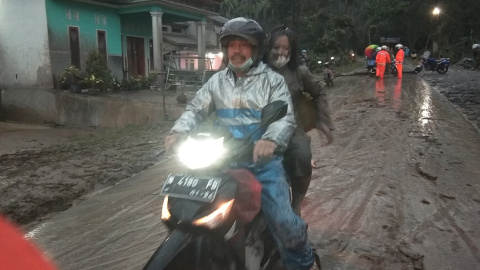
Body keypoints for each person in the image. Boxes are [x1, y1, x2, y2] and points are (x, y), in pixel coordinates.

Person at [164, 17, 319, 270]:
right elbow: (195, 107)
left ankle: (303, 261)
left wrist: (269, 139)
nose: (236, 51)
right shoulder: (217, 81)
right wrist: (178, 131)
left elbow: (285, 117)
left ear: (255, 50)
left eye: (243, 45)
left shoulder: (272, 81)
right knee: (187, 208)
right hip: (222, 160)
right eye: (231, 45)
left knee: (282, 221)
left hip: (263, 164)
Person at [264, 25, 333, 217]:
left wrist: (322, 120)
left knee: (302, 153)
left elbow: (319, 93)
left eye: (286, 48)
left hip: (292, 128)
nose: (281, 52)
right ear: (268, 47)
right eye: (277, 47)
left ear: (292, 51)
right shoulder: (257, 71)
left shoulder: (300, 73)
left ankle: (296, 203)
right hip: (258, 128)